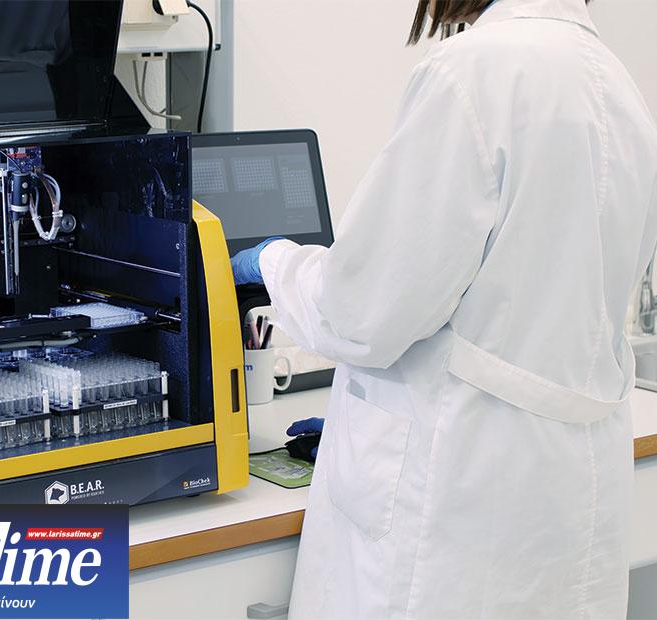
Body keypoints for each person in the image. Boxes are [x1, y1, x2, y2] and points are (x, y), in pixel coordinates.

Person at [231, 0, 657, 617]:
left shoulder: (472, 73)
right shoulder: (618, 86)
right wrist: (365, 422)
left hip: (456, 496)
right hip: (565, 493)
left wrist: (271, 262)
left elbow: (361, 312)